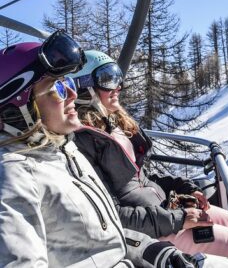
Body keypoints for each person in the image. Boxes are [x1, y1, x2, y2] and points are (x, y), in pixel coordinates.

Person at [0, 33, 204, 268]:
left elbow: (100, 235)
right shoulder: (13, 177)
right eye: (57, 86)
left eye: (68, 82)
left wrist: (150, 250)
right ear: (21, 107)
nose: (73, 94)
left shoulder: (64, 152)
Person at [72, 50, 228, 260]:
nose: (117, 86)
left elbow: (144, 180)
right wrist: (178, 220)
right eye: (107, 78)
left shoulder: (115, 124)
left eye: (118, 77)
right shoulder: (83, 142)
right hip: (154, 230)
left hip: (168, 209)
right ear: (84, 86)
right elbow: (112, 214)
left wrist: (185, 188)